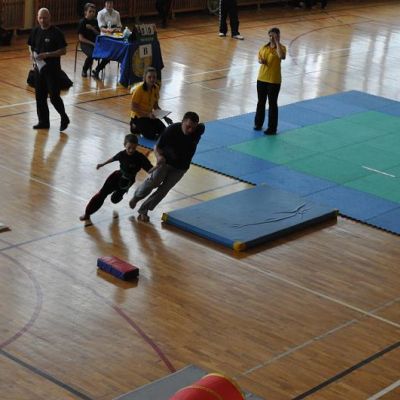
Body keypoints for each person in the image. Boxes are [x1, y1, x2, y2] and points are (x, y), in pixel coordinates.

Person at [129, 111, 205, 222]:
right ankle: (137, 197)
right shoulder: (172, 130)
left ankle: (144, 210)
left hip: (181, 167)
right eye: (188, 126)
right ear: (182, 122)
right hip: (165, 162)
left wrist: (196, 128)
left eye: (193, 128)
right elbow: (157, 147)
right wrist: (159, 157)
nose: (190, 130)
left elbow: (202, 126)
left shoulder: (198, 130)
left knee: (163, 190)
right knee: (154, 182)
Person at [79, 134, 153, 225]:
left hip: (128, 182)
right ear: (124, 145)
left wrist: (158, 166)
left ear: (137, 146)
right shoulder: (121, 154)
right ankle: (87, 214)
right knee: (102, 194)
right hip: (116, 177)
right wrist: (102, 164)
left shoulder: (140, 158)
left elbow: (150, 170)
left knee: (114, 200)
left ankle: (118, 194)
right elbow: (113, 159)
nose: (131, 150)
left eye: (134, 148)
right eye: (129, 148)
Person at [28, 8, 70, 131]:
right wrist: (31, 54)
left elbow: (63, 51)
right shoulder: (35, 31)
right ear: (37, 18)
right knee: (40, 97)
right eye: (40, 18)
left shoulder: (56, 32)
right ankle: (43, 122)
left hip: (52, 70)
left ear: (49, 17)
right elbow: (30, 45)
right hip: (39, 69)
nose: (42, 20)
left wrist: (47, 54)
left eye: (44, 18)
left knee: (54, 97)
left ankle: (64, 117)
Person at [254, 27, 286, 135]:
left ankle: (272, 128)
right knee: (260, 102)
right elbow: (259, 58)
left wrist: (277, 42)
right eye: (270, 35)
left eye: (274, 35)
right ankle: (258, 124)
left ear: (278, 36)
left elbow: (282, 56)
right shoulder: (264, 47)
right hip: (261, 78)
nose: (271, 38)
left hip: (274, 80)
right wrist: (261, 60)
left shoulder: (282, 48)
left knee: (272, 104)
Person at [130, 66, 170, 140]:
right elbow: (133, 107)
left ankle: (140, 127)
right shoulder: (139, 89)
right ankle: (134, 125)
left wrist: (164, 117)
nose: (152, 79)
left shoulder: (156, 88)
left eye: (154, 77)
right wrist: (147, 114)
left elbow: (155, 106)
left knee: (164, 131)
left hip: (150, 116)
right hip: (138, 117)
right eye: (149, 77)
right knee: (151, 135)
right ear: (145, 78)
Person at [78, 3, 106, 78]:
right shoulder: (82, 22)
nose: (92, 13)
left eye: (93, 12)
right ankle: (84, 69)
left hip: (95, 43)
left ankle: (97, 70)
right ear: (85, 12)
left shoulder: (96, 21)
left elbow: (99, 34)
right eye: (90, 11)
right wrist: (92, 43)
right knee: (92, 54)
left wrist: (92, 28)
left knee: (109, 54)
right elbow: (81, 38)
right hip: (85, 43)